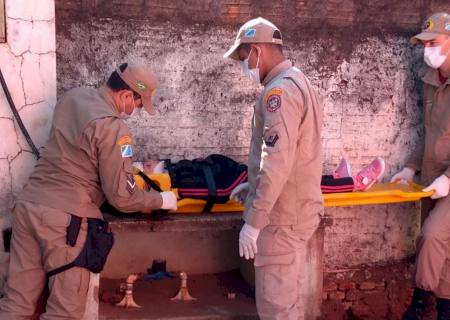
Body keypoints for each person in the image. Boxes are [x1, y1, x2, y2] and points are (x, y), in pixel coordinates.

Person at [0, 63, 178, 319]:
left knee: (17, 302)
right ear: (127, 95)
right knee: (64, 312)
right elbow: (122, 198)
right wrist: (162, 199)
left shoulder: (73, 97)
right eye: (138, 106)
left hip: (29, 205)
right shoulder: (114, 128)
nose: (134, 111)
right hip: (65, 221)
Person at [224, 17, 323, 319]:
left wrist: (254, 221)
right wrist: (253, 186)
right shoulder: (298, 81)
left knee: (276, 308)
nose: (244, 65)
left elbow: (276, 160)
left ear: (257, 51)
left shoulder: (279, 93)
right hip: (293, 210)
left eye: (243, 57)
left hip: (280, 219)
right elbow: (288, 155)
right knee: (286, 302)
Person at [389, 12, 450, 320]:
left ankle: (419, 299)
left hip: (448, 179)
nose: (427, 50)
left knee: (432, 235)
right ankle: (444, 308)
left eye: (434, 43)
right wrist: (411, 167)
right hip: (431, 175)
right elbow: (427, 131)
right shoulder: (430, 81)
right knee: (442, 247)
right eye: (424, 44)